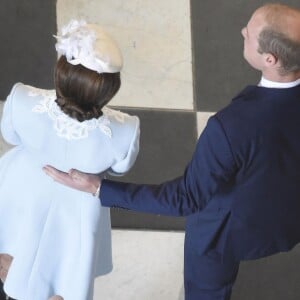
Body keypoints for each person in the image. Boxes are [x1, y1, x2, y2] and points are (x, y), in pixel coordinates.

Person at [43, 3, 300, 300]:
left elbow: (185, 198)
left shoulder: (230, 128)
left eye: (249, 33)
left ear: (270, 58)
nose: (242, 30)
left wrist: (99, 187)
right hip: (285, 220)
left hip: (223, 232)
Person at [0, 20, 140, 300]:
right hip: (73, 213)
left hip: (21, 195)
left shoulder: (22, 99)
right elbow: (120, 169)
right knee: (61, 273)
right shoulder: (124, 130)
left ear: (60, 72)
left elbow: (10, 136)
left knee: (12, 248)